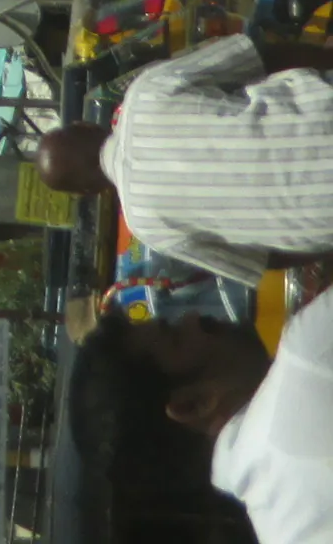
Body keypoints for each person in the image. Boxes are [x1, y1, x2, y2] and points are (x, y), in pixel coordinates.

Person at [36, 30, 333, 282]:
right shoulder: (145, 93)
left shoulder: (148, 227)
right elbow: (260, 55)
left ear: (88, 190)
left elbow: (263, 259)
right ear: (86, 126)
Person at [74, 292, 333, 544]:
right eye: (176, 335)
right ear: (193, 405)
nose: (193, 317)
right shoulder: (308, 361)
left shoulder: (281, 529)